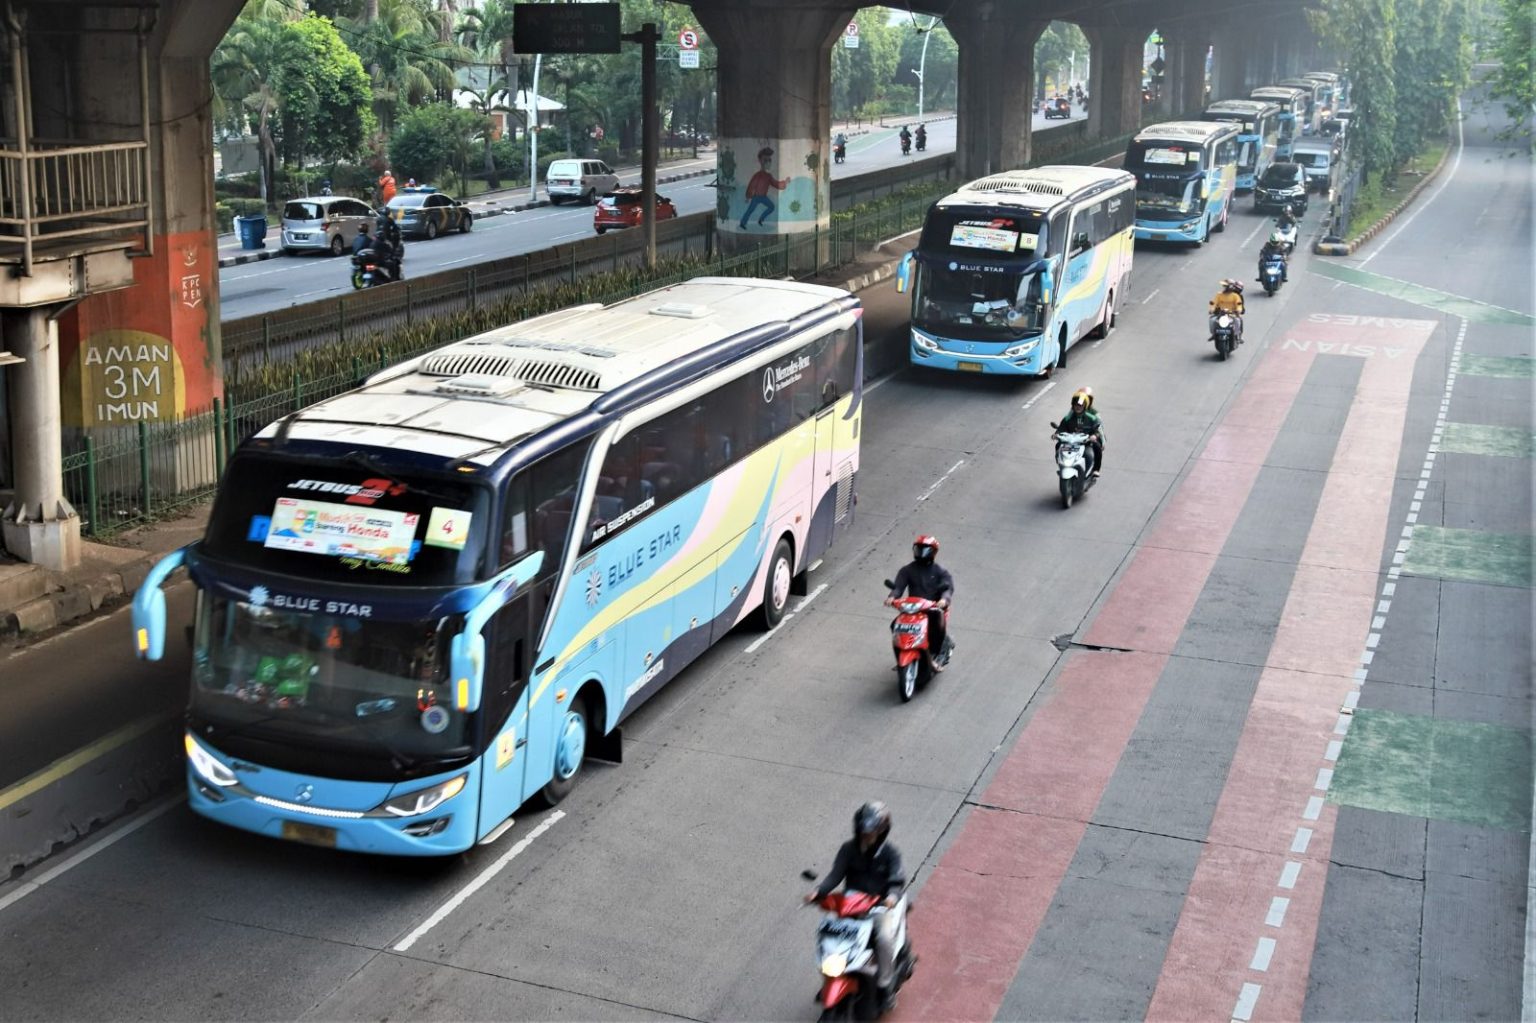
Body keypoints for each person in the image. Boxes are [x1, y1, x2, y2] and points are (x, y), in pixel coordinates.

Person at [804, 802, 907, 1014]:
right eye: (863, 830)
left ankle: (885, 986)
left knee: (884, 938)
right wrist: (819, 891)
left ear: (881, 831)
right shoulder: (848, 849)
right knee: (827, 934)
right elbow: (835, 875)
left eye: (870, 831)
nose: (866, 835)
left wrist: (891, 897)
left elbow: (897, 880)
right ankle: (831, 977)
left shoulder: (890, 854)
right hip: (849, 905)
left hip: (879, 907)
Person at [887, 534, 954, 670]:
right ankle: (902, 653)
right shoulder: (907, 570)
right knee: (895, 625)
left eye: (926, 550)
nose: (922, 553)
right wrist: (892, 597)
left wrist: (943, 600)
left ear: (933, 552)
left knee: (937, 626)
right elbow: (898, 586)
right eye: (919, 549)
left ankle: (935, 655)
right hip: (913, 608)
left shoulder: (940, 572)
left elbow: (947, 588)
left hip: (933, 609)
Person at [1055, 386, 1104, 478]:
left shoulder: (1093, 416)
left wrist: (1095, 436)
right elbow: (1062, 427)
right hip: (1072, 440)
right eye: (1076, 405)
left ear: (1085, 404)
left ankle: (1096, 470)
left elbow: (1099, 429)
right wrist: (1056, 434)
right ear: (1073, 405)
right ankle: (1061, 465)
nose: (1078, 407)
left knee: (1096, 448)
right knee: (1058, 445)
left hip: (1087, 441)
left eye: (1080, 405)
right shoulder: (1069, 417)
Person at [1209, 279, 1246, 344]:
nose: (1224, 288)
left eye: (1225, 286)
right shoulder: (1219, 295)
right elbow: (1214, 303)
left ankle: (1238, 336)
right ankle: (1214, 334)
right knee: (1212, 320)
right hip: (1221, 314)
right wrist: (1212, 309)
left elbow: (1239, 304)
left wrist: (1238, 310)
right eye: (1224, 286)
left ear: (1230, 287)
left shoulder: (1235, 296)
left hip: (1232, 314)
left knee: (1238, 320)